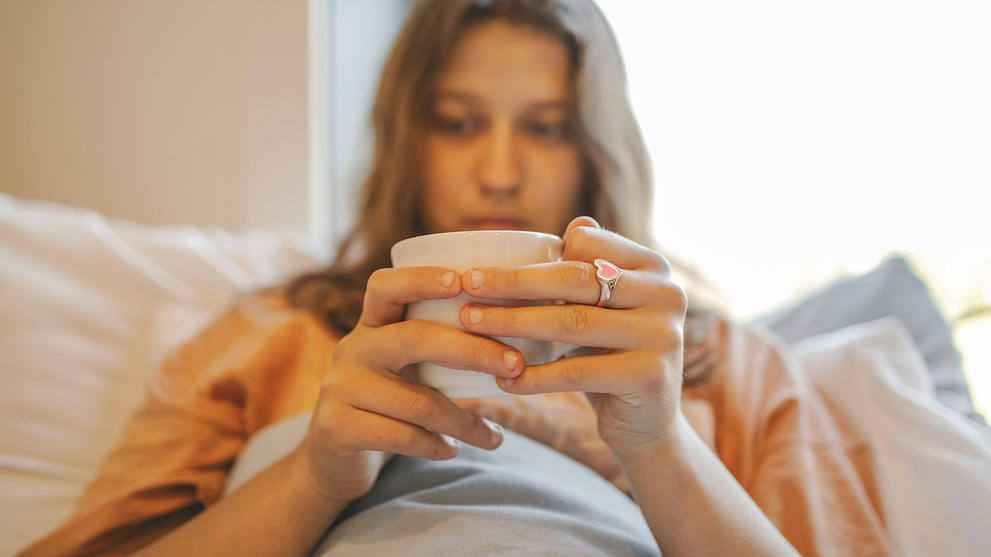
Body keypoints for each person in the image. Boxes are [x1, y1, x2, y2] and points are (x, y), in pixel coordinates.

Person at [19, 1, 892, 556]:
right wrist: (316, 477)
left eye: (545, 128)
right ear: (410, 137)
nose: (500, 172)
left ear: (594, 151)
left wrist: (658, 442)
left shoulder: (712, 361)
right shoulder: (271, 333)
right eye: (458, 122)